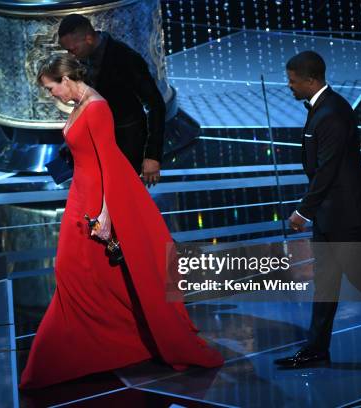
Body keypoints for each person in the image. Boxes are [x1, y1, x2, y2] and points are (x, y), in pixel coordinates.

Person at [19, 54, 224, 389]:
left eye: (51, 87)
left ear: (66, 79)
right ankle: (112, 344)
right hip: (81, 198)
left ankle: (51, 362)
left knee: (72, 273)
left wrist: (105, 215)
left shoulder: (97, 108)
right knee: (85, 276)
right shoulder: (82, 103)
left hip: (95, 203)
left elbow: (108, 165)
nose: (51, 94)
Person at [275, 51, 361, 368]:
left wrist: (303, 211)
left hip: (344, 214)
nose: (290, 86)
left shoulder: (333, 113)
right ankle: (316, 349)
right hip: (330, 214)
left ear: (311, 80)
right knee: (325, 282)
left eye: (293, 81)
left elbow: (329, 170)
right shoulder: (321, 108)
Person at [57, 14, 166, 187]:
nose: (71, 55)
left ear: (89, 38)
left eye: (73, 49)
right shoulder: (82, 60)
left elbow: (156, 105)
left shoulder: (126, 59)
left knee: (124, 202)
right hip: (98, 149)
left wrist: (152, 156)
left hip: (127, 147)